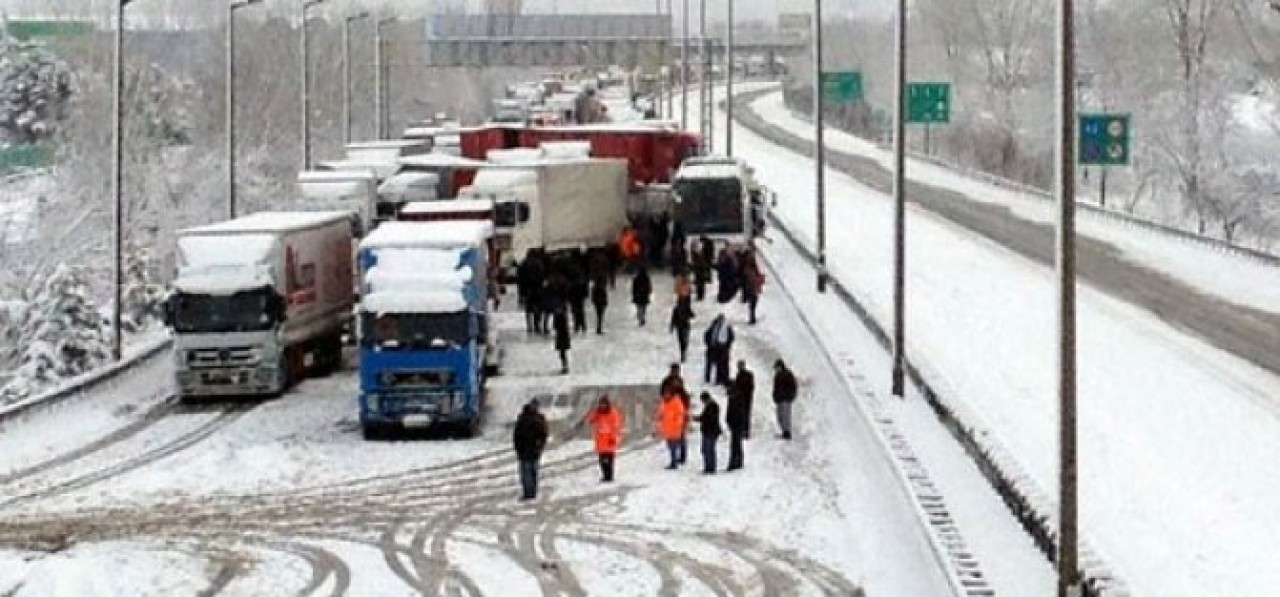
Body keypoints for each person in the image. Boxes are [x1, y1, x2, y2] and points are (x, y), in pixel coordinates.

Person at [512, 399, 549, 500]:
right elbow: (544, 434)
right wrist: (540, 445)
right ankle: (532, 493)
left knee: (528, 473)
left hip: (527, 451)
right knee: (532, 472)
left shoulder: (523, 418)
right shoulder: (538, 418)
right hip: (531, 450)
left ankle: (529, 493)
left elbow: (516, 435)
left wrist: (518, 448)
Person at [586, 395, 623, 482]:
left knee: (609, 460)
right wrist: (592, 416)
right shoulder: (598, 413)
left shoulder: (613, 413)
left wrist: (613, 437)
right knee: (602, 460)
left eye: (604, 404)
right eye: (601, 404)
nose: (602, 406)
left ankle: (609, 476)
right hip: (600, 441)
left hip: (609, 440)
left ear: (607, 404)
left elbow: (616, 427)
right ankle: (605, 476)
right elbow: (590, 419)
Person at [655, 391, 686, 469]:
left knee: (673, 447)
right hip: (667, 430)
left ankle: (674, 463)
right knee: (670, 447)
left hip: (674, 430)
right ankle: (674, 461)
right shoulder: (664, 403)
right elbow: (660, 413)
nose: (665, 396)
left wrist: (677, 427)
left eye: (667, 394)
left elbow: (680, 416)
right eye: (664, 395)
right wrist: (659, 417)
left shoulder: (677, 403)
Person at [703, 313, 734, 386]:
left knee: (720, 364)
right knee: (709, 364)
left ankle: (719, 380)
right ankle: (707, 379)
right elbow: (707, 334)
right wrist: (708, 343)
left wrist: (727, 346)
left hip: (722, 349)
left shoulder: (726, 327)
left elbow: (731, 337)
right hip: (712, 348)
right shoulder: (713, 326)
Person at [694, 391, 722, 474]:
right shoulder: (710, 406)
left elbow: (707, 418)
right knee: (705, 449)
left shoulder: (713, 406)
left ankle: (710, 468)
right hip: (708, 431)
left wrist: (699, 419)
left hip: (711, 431)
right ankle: (708, 466)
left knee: (709, 449)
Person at [725, 381, 749, 471]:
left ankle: (734, 462)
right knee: (737, 443)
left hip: (736, 424)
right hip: (735, 424)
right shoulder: (735, 397)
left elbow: (737, 412)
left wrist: (731, 421)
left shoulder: (735, 398)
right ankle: (738, 461)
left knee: (735, 444)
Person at [772, 359, 798, 440]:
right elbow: (775, 388)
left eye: (776, 367)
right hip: (779, 399)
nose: (776, 369)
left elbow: (793, 386)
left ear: (780, 366)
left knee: (785, 416)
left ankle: (787, 433)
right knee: (780, 416)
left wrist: (790, 396)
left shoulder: (788, 374)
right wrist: (775, 396)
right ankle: (784, 431)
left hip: (786, 399)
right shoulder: (777, 376)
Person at [733, 360, 755, 439]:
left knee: (744, 415)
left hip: (744, 398)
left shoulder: (743, 375)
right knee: (745, 415)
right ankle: (745, 431)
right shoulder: (747, 375)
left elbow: (746, 387)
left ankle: (744, 431)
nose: (739, 367)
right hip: (746, 398)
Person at [741, 250, 764, 325]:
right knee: (753, 304)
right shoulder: (749, 269)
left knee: (752, 304)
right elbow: (753, 279)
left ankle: (752, 318)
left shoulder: (747, 268)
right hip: (752, 289)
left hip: (751, 288)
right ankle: (752, 319)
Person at [670, 296, 693, 363]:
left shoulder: (676, 309)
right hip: (685, 326)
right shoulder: (686, 308)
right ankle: (684, 352)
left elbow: (673, 319)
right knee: (685, 340)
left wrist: (671, 327)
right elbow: (692, 315)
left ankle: (683, 352)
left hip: (680, 327)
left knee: (681, 341)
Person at [568, 269, 589, 335]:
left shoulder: (572, 283)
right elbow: (585, 292)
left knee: (576, 312)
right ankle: (582, 325)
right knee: (580, 312)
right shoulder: (582, 282)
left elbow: (569, 291)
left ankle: (578, 325)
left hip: (575, 299)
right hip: (579, 299)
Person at [553, 308, 571, 374]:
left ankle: (565, 367)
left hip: (561, 336)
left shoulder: (559, 316)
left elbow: (555, 326)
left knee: (562, 353)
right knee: (562, 353)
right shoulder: (563, 315)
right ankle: (565, 366)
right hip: (563, 336)